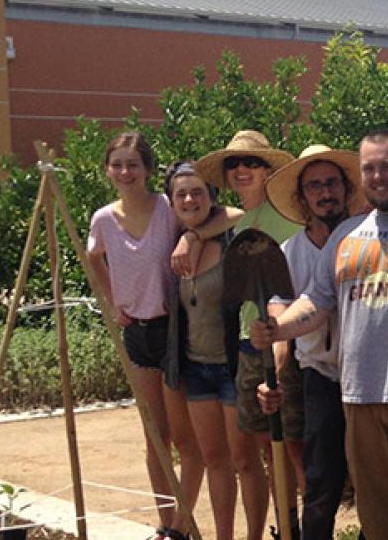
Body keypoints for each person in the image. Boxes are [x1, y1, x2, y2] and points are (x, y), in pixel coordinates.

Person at [251, 128, 388, 540]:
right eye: (370, 169)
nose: (379, 176)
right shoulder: (345, 234)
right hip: (359, 398)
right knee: (378, 517)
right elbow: (316, 301)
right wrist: (278, 328)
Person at [86, 132, 205, 540]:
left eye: (132, 164)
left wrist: (189, 236)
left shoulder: (168, 208)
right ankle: (166, 523)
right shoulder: (103, 219)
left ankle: (181, 526)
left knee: (187, 441)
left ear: (148, 170)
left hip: (174, 331)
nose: (124, 172)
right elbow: (92, 257)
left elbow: (211, 220)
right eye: (117, 164)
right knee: (156, 437)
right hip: (136, 333)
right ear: (107, 170)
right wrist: (112, 300)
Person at [195, 130, 301, 539]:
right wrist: (192, 235)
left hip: (282, 344)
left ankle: (293, 527)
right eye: (234, 164)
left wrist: (281, 350)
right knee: (247, 453)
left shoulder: (288, 218)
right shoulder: (238, 224)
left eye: (252, 163)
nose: (242, 170)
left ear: (268, 170)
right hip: (246, 343)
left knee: (288, 451)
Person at [256, 145, 364, 540]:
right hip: (318, 374)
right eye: (314, 186)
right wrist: (275, 376)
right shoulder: (289, 254)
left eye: (331, 183)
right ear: (302, 198)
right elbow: (281, 319)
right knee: (320, 482)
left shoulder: (366, 236)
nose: (325, 193)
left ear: (346, 188)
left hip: (368, 377)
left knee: (375, 480)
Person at [162, 161, 250, 540]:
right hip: (196, 368)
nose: (189, 199)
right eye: (180, 193)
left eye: (198, 191)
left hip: (232, 366)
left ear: (212, 197)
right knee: (214, 459)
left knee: (244, 460)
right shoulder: (169, 241)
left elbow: (240, 212)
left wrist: (195, 237)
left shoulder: (229, 237)